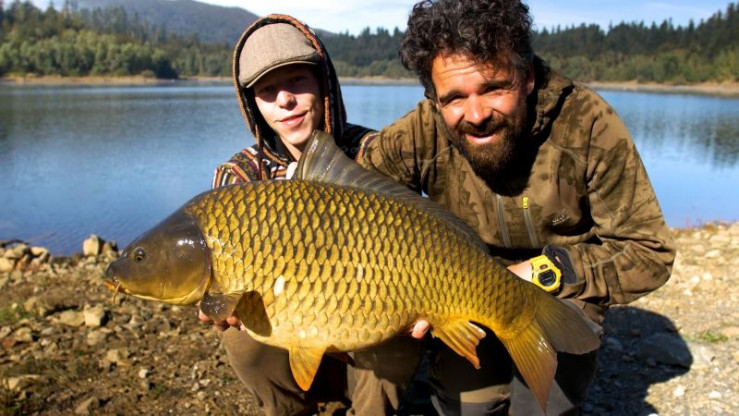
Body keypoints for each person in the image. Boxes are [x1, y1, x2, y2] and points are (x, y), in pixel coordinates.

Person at [353, 0, 676, 414]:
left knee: (540, 406)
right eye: (454, 98)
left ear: (526, 78)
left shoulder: (588, 124)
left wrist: (547, 270)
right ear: (433, 99)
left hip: (559, 289)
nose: (476, 114)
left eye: (493, 88)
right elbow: (347, 209)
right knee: (470, 408)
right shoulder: (416, 135)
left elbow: (649, 251)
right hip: (462, 289)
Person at [199, 14, 424, 416]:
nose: (284, 100)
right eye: (267, 90)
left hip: (370, 330)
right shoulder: (239, 177)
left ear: (324, 84)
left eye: (297, 81)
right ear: (253, 104)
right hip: (289, 336)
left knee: (399, 341)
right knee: (241, 340)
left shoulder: (374, 153)